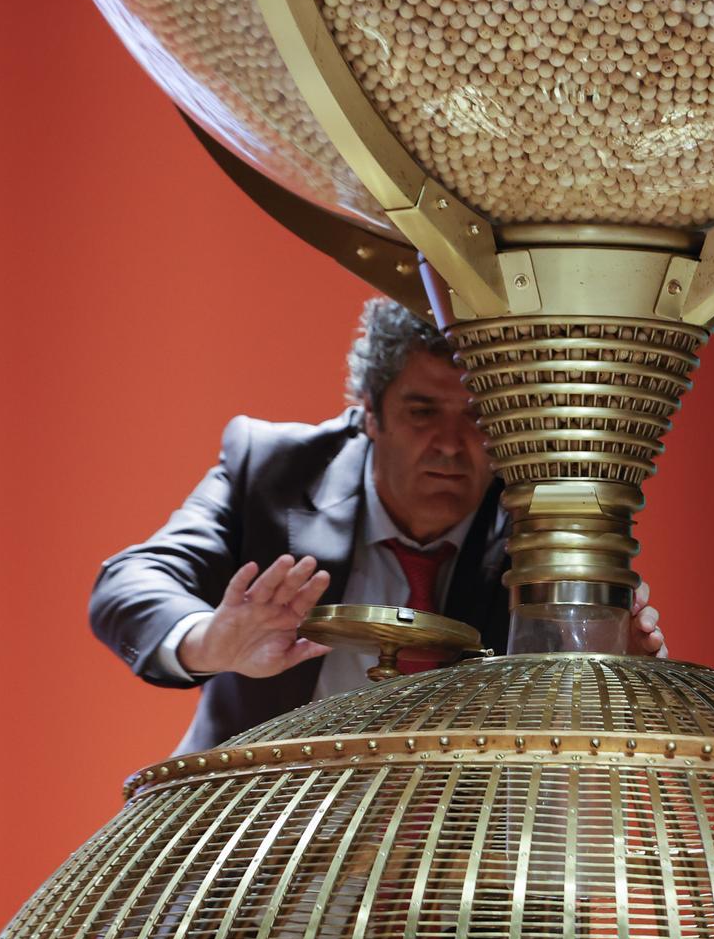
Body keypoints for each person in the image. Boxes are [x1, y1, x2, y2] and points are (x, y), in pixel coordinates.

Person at [90, 297, 666, 753]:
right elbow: (128, 583)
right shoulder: (268, 467)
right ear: (370, 410)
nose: (450, 444)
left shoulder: (541, 519)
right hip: (247, 855)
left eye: (477, 416)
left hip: (448, 872)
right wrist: (210, 642)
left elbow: (564, 713)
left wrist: (611, 669)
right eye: (422, 412)